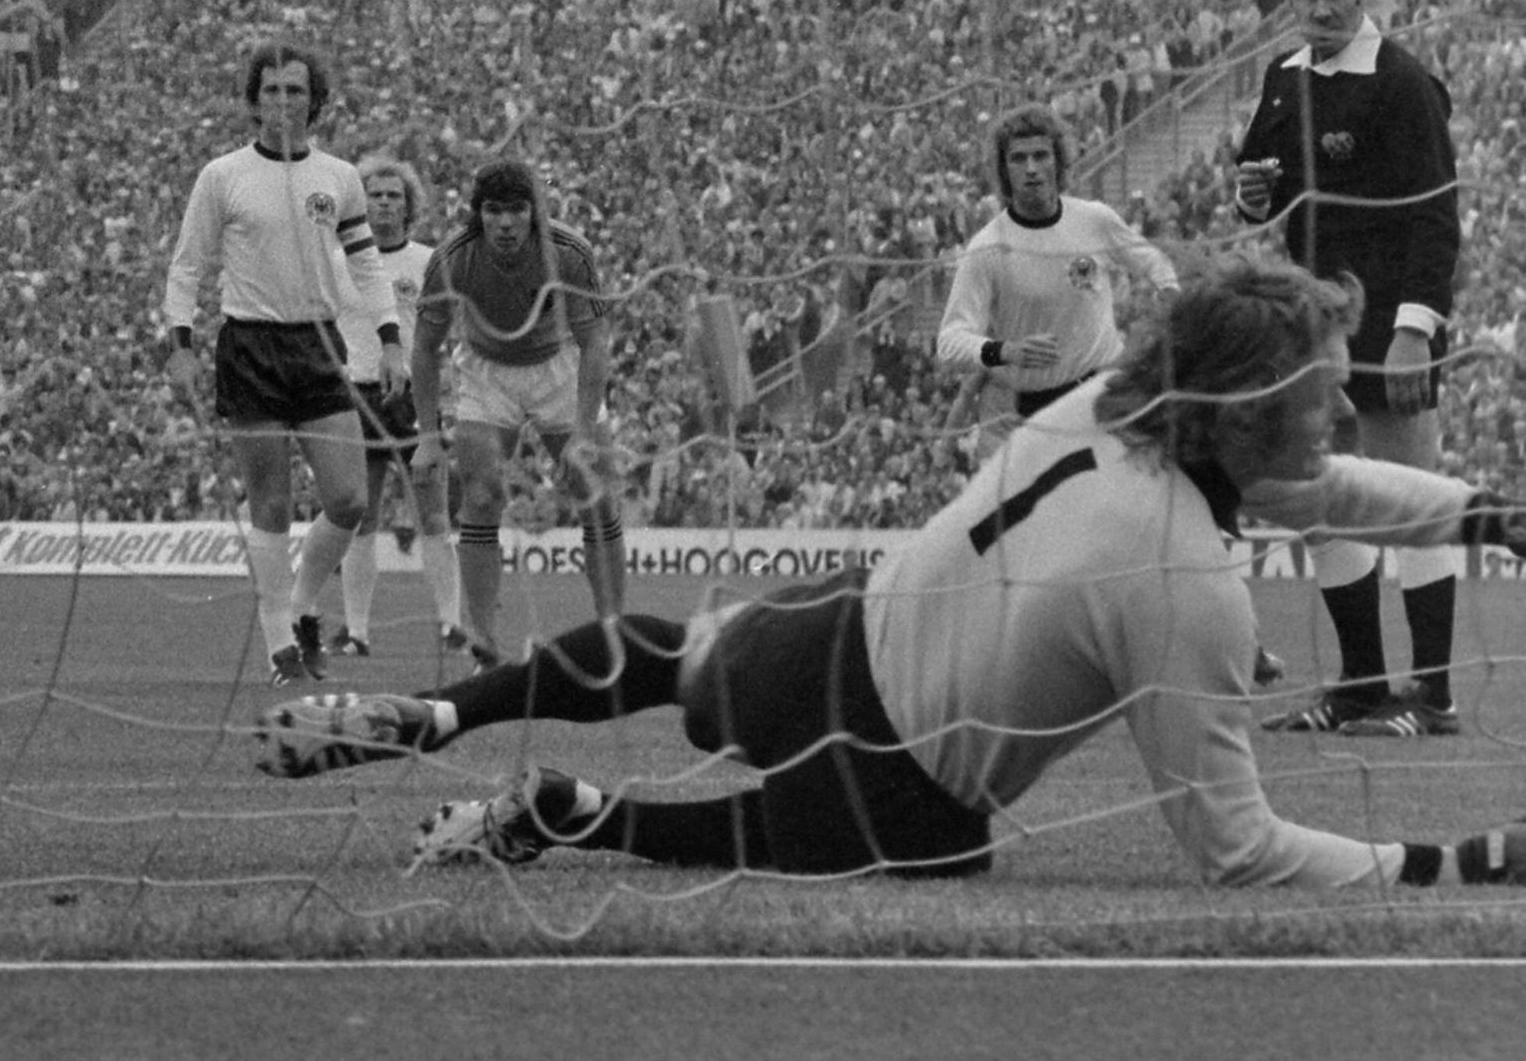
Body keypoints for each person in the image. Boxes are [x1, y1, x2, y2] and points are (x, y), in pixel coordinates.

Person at [256, 259, 1526, 890]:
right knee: (814, 845)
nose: (1338, 414)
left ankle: (440, 714)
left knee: (667, 655)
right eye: (1316, 394)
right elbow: (1237, 848)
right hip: (903, 780)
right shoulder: (1188, 577)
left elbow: (1322, 490)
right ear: (1245, 412)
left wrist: (1483, 513)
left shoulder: (1109, 404)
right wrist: (1454, 862)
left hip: (829, 628)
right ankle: (575, 813)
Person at [1232, 0, 1464, 736]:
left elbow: (1437, 219)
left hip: (1390, 322)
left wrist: (1415, 330)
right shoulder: (1281, 78)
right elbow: (1260, 186)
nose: (1321, 9)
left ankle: (1434, 696)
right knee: (1326, 502)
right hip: (1314, 331)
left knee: (1415, 502)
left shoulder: (1402, 82)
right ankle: (1363, 686)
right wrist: (1249, 199)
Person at [159, 42, 395, 685]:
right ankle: (279, 649)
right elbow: (187, 265)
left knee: (348, 500)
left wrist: (391, 336)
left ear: (314, 101)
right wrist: (179, 346)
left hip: (319, 347)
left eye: (296, 91)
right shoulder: (223, 175)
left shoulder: (339, 177)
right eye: (271, 91)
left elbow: (367, 262)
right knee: (269, 504)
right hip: (251, 347)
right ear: (253, 101)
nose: (284, 102)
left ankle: (298, 604)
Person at [410, 160, 627, 629]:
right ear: (478, 214)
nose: (505, 223)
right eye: (493, 211)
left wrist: (584, 431)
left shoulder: (569, 251)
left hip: (558, 368)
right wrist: (428, 435)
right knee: (482, 497)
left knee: (597, 493)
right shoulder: (453, 259)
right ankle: (484, 642)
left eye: (516, 210)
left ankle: (614, 631)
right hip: (488, 373)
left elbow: (594, 343)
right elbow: (425, 348)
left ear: (535, 212)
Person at [936, 105, 1178, 429]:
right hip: (1032, 413)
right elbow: (949, 341)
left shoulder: (1095, 219)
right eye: (1018, 159)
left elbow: (1152, 260)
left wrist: (1169, 290)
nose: (1031, 168)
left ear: (1059, 161)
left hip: (1104, 393)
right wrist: (1003, 350)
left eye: (1041, 155)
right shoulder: (987, 247)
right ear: (1004, 171)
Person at [348, 153, 470, 665]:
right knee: (359, 517)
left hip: (416, 402)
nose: (383, 204)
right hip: (355, 395)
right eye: (374, 195)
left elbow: (449, 334)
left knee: (434, 517)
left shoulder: (428, 262)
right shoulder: (341, 259)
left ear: (409, 205)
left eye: (393, 195)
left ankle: (452, 625)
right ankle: (356, 632)